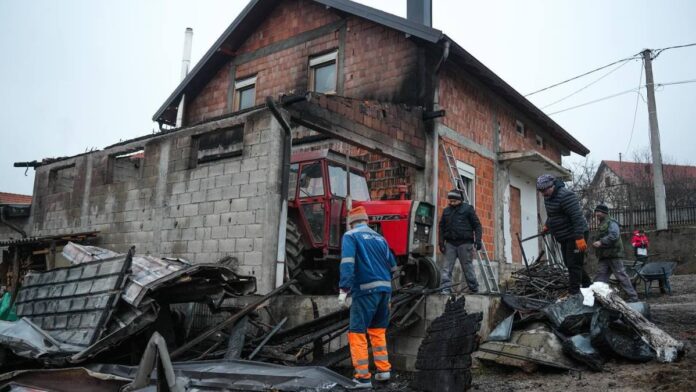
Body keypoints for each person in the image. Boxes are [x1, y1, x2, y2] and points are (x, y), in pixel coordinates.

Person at [339, 206, 395, 388]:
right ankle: (383, 371)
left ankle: (362, 378)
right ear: (366, 221)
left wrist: (344, 289)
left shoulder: (351, 236)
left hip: (364, 290)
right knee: (378, 331)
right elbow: (393, 267)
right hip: (385, 291)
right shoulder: (381, 239)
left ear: (352, 223)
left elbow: (347, 263)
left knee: (357, 332)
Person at [537, 174, 591, 295]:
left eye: (545, 190)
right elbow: (553, 215)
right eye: (541, 191)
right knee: (569, 263)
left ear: (552, 186)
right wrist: (547, 225)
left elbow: (576, 217)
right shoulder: (548, 197)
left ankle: (574, 293)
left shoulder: (566, 196)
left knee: (574, 264)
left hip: (576, 234)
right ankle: (588, 286)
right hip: (564, 236)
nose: (543, 193)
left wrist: (579, 238)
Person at [438, 189, 482, 294]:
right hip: (450, 244)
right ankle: (445, 289)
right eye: (450, 201)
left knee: (467, 267)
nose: (452, 203)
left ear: (460, 200)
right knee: (446, 268)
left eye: (454, 201)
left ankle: (474, 288)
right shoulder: (446, 211)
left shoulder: (468, 209)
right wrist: (441, 242)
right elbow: (441, 227)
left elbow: (477, 225)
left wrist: (478, 240)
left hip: (465, 243)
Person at [592, 204, 639, 302]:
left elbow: (614, 235)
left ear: (604, 213)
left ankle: (633, 297)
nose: (597, 214)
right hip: (605, 256)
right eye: (596, 212)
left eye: (598, 212)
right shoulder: (602, 223)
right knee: (600, 276)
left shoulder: (611, 223)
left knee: (621, 276)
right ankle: (597, 297)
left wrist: (601, 242)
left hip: (614, 255)